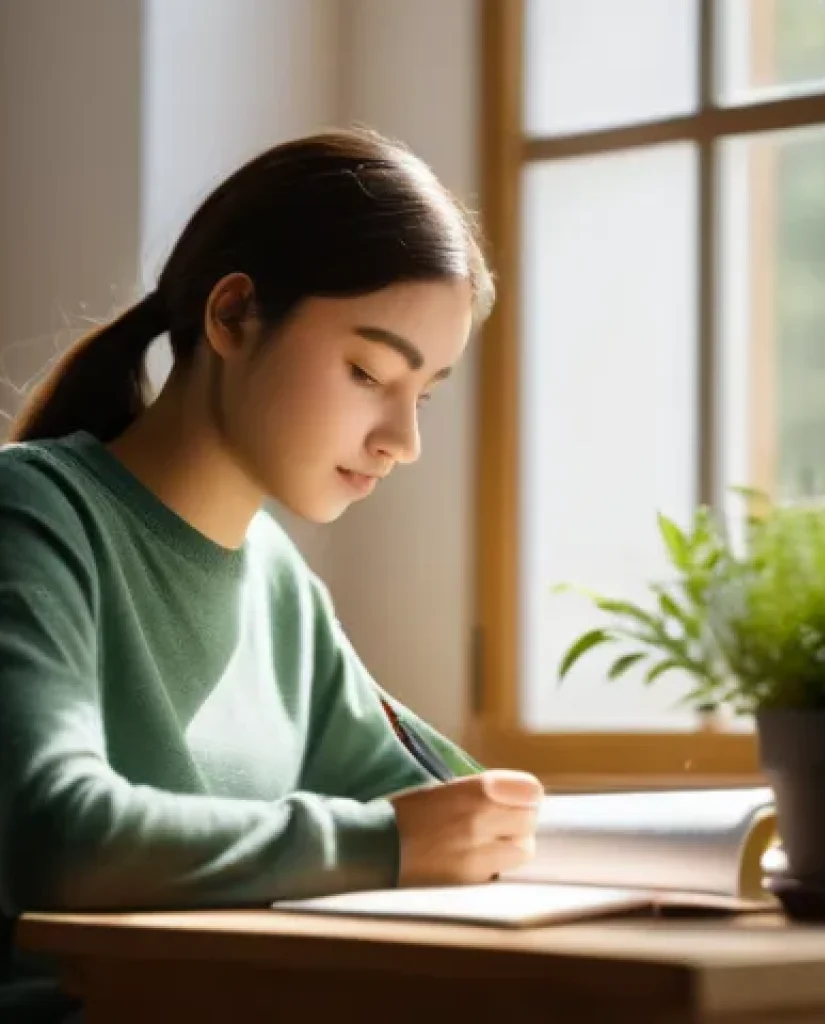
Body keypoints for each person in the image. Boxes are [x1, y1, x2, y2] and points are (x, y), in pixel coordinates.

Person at [0, 127, 543, 1020]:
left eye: (426, 394)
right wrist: (386, 844)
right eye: (370, 371)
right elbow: (61, 837)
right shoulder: (34, 514)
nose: (403, 442)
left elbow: (434, 810)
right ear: (233, 316)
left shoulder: (282, 590)